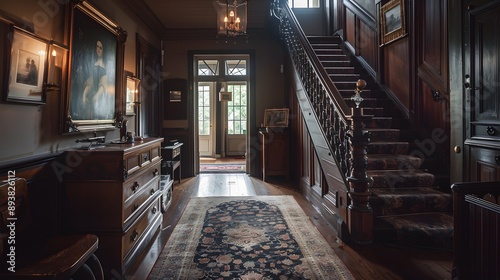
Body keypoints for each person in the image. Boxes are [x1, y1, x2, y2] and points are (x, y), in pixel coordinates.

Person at [81, 40, 107, 119]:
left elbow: (104, 83)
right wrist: (84, 95)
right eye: (97, 47)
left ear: (103, 50)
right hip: (91, 97)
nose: (98, 49)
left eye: (100, 47)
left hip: (99, 99)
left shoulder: (106, 66)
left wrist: (97, 95)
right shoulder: (93, 65)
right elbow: (90, 82)